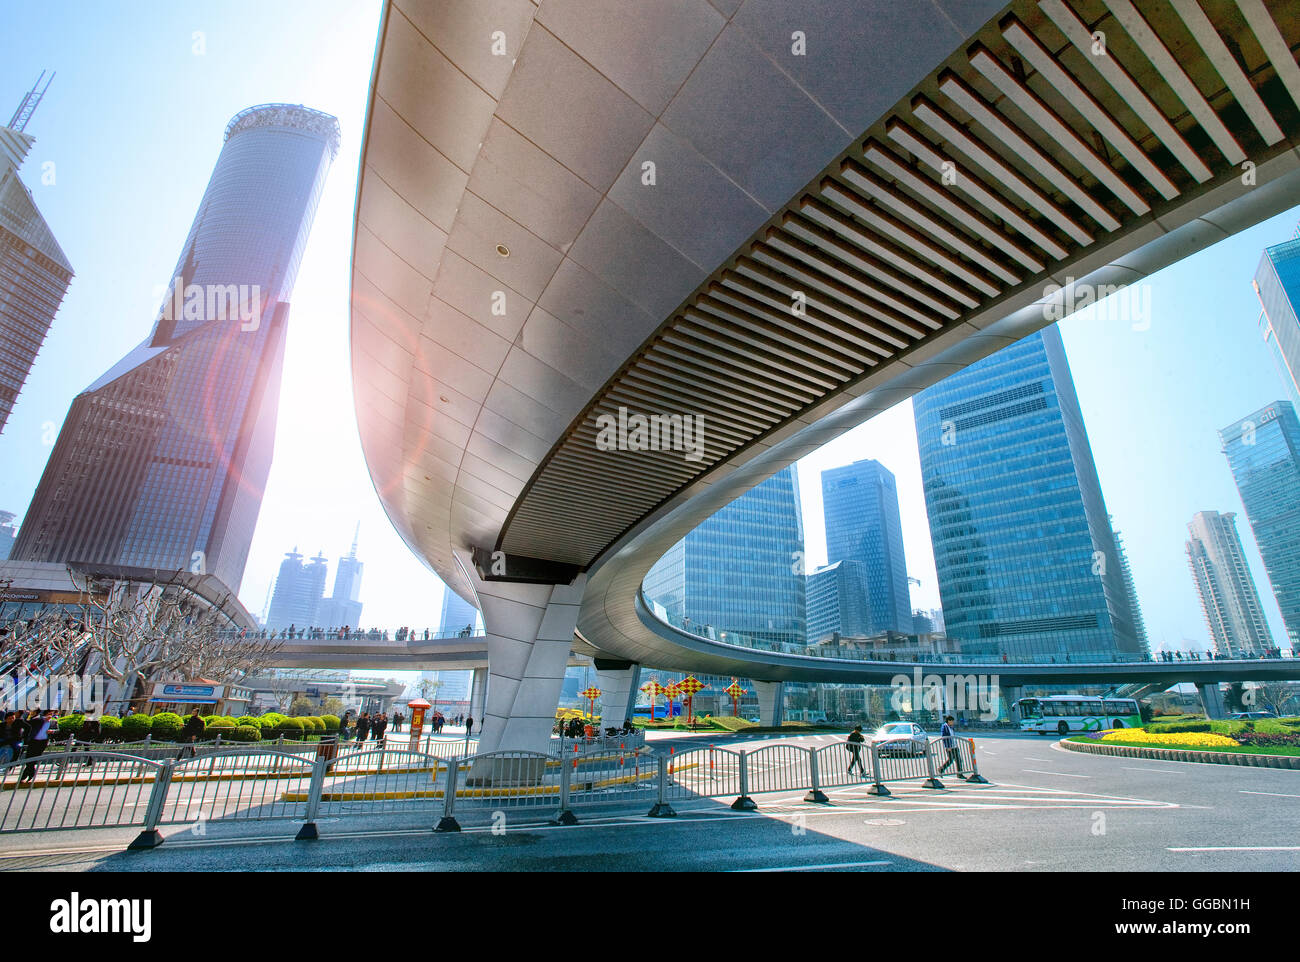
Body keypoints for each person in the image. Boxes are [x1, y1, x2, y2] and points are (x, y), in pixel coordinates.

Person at [19, 709, 55, 783]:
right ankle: (31, 774)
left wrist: (52, 731)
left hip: (43, 742)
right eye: (49, 714)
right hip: (34, 741)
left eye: (51, 714)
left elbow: (58, 730)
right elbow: (28, 723)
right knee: (29, 758)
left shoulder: (53, 722)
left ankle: (26, 775)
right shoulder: (39, 720)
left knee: (35, 759)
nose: (50, 716)